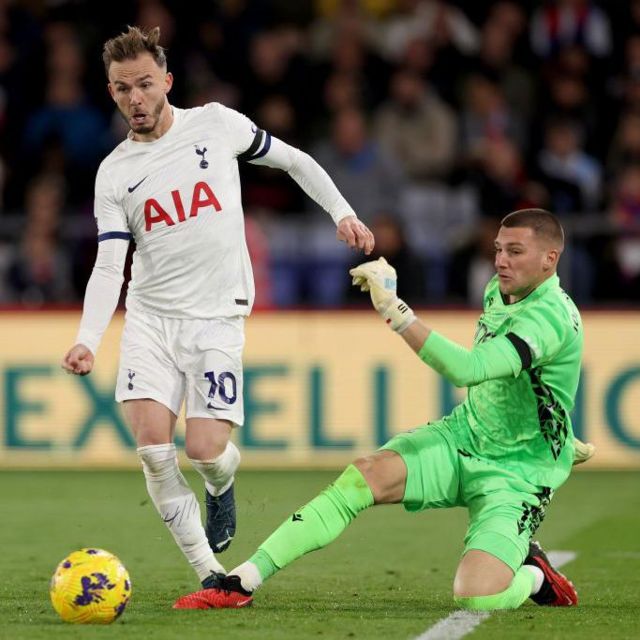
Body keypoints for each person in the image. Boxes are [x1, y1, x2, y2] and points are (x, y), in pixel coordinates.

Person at [60, 25, 374, 598]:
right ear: (110, 91)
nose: (135, 98)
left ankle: (220, 485)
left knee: (205, 450)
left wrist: (342, 214)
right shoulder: (114, 172)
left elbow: (297, 161)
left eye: (145, 85)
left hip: (216, 317)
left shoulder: (216, 124)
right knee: (155, 450)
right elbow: (110, 265)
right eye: (122, 87)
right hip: (150, 320)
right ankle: (210, 573)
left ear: (167, 83)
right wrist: (88, 339)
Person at [188, 208, 593, 611]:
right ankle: (241, 581)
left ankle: (537, 573)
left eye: (515, 251)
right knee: (362, 477)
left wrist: (395, 310)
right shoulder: (500, 288)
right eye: (499, 249)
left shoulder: (550, 317)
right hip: (465, 435)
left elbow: (468, 369)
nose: (501, 260)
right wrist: (554, 429)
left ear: (549, 258)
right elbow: (524, 387)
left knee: (478, 597)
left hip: (516, 475)